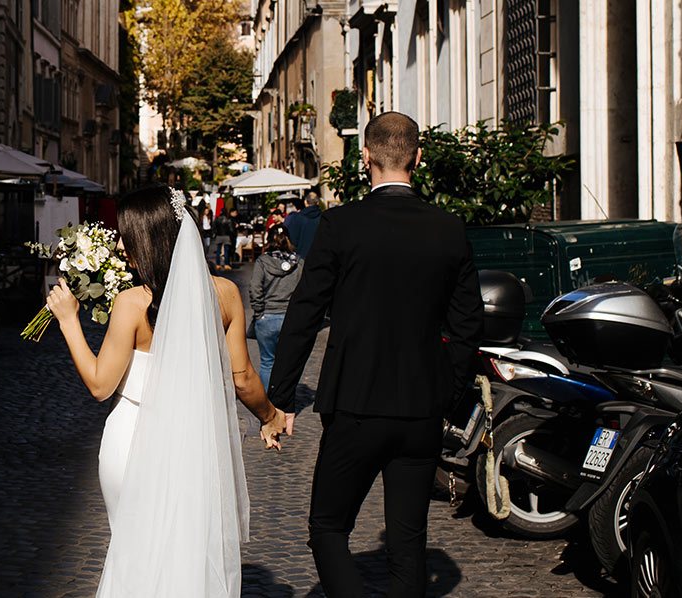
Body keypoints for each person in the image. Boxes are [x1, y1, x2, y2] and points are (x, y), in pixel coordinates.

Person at [267, 112, 483, 598]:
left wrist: (281, 397)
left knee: (327, 528)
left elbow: (305, 311)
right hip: (421, 409)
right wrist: (447, 392)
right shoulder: (448, 228)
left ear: (365, 157)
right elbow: (468, 323)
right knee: (408, 542)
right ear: (418, 159)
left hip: (355, 404)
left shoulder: (342, 225)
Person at [46, 184, 288, 597]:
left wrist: (69, 320)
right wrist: (271, 416)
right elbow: (242, 377)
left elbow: (101, 385)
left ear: (147, 238)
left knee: (133, 554)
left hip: (132, 439)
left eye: (126, 234)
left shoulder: (131, 303)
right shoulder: (226, 294)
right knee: (189, 554)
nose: (122, 244)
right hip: (196, 442)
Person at [249, 225, 302, 391]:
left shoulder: (263, 261)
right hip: (291, 317)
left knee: (267, 363)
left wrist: (259, 312)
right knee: (287, 363)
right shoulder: (299, 262)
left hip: (267, 317)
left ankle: (268, 403)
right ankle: (284, 399)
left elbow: (255, 288)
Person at [283, 192, 323, 258]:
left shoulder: (297, 218)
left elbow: (292, 240)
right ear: (318, 203)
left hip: (301, 257)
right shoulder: (324, 217)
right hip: (320, 257)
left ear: (305, 202)